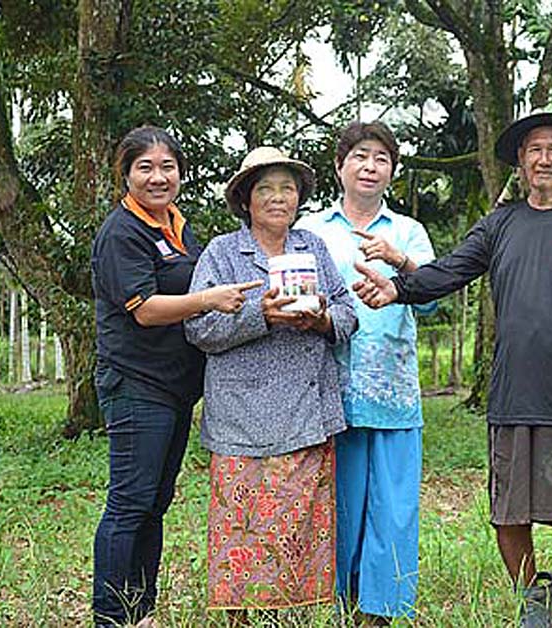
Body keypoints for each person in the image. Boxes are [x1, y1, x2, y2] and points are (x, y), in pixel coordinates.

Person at [352, 106, 552, 628]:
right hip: (513, 391)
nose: (543, 158)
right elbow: (451, 270)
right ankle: (533, 605)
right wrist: (398, 287)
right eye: (533, 150)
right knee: (508, 510)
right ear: (520, 164)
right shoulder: (502, 223)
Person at [91, 126, 258, 627]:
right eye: (145, 167)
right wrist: (208, 300)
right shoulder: (123, 232)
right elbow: (144, 309)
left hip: (174, 388)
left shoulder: (178, 228)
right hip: (136, 383)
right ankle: (110, 618)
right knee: (129, 502)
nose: (158, 177)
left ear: (181, 174)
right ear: (126, 174)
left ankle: (139, 612)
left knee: (155, 503)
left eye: (168, 167)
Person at [184, 146, 357, 623]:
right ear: (246, 199)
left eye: (288, 188)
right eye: (266, 188)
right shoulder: (223, 253)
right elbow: (197, 329)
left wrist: (321, 319)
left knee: (297, 528)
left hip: (306, 413)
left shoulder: (313, 248)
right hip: (242, 419)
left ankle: (291, 615)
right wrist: (258, 314)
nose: (279, 198)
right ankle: (240, 617)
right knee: (242, 526)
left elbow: (348, 313)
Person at [295, 121, 436, 623]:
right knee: (341, 499)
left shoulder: (409, 233)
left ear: (392, 171)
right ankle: (336, 597)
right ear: (340, 166)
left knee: (394, 503)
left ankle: (383, 605)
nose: (370, 166)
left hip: (395, 390)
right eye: (359, 156)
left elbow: (432, 303)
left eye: (381, 158)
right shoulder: (311, 230)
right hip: (331, 388)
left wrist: (402, 263)